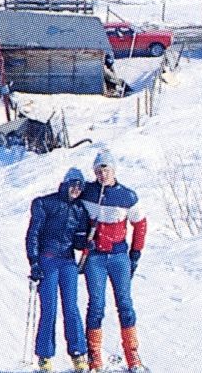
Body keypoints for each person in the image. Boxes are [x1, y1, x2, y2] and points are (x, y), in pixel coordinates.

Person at [81, 149, 148, 373]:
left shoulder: (127, 196)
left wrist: (135, 254)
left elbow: (140, 225)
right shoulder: (87, 192)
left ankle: (133, 356)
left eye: (106, 170)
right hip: (95, 257)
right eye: (98, 171)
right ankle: (94, 356)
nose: (102, 175)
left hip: (119, 256)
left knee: (125, 304)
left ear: (114, 170)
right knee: (96, 305)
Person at [26, 168, 91, 372]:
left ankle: (78, 353)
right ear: (65, 184)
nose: (76, 189)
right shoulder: (46, 203)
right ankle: (44, 356)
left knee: (71, 307)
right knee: (50, 307)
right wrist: (34, 262)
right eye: (73, 185)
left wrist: (86, 243)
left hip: (68, 261)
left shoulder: (80, 210)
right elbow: (33, 234)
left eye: (80, 186)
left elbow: (78, 241)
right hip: (48, 258)